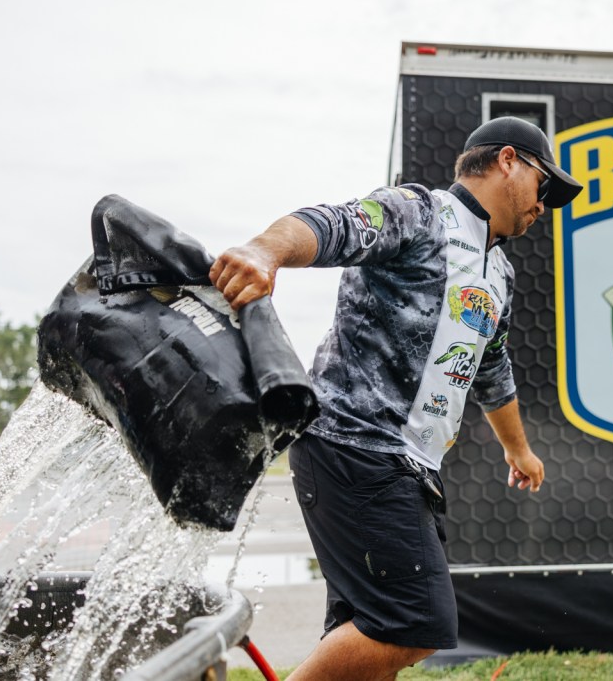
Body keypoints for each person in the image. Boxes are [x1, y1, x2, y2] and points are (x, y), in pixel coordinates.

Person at [210, 116, 582, 680]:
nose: (544, 206)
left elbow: (491, 368)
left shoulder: (500, 273)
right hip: (354, 446)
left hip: (411, 466)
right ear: (508, 161)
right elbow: (333, 225)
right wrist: (265, 251)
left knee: (369, 632)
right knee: (416, 623)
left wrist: (518, 449)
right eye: (543, 185)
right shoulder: (420, 212)